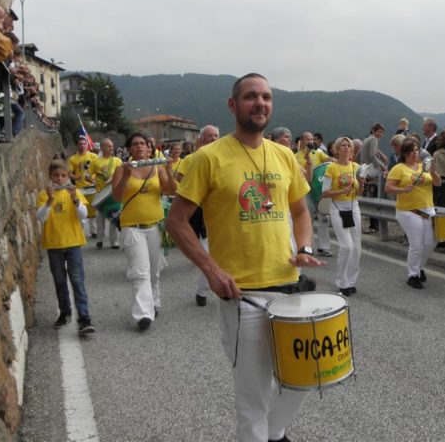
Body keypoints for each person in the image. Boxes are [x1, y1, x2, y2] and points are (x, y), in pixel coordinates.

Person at [166, 73, 324, 442]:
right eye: (251, 96)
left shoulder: (284, 155)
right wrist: (211, 271)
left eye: (266, 97)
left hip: (288, 287)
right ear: (233, 105)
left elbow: (301, 212)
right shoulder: (208, 157)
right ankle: (263, 434)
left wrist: (304, 248)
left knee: (303, 377)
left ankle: (274, 432)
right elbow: (176, 222)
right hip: (242, 295)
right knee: (252, 398)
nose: (260, 103)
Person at [111, 132, 177, 330]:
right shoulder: (121, 169)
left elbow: (171, 190)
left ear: (150, 148)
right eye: (135, 144)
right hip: (132, 228)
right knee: (140, 272)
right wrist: (125, 177)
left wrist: (168, 170)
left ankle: (154, 302)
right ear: (129, 149)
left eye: (143, 144)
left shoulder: (157, 167)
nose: (140, 147)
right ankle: (143, 315)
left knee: (155, 272)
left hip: (155, 226)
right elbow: (116, 197)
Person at [36, 160, 96, 334]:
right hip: (54, 244)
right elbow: (41, 218)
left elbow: (83, 215)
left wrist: (75, 200)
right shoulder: (43, 195)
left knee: (77, 281)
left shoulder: (75, 193)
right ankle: (65, 312)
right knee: (60, 281)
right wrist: (49, 201)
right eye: (56, 176)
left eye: (63, 175)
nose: (60, 179)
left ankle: (84, 318)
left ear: (68, 176)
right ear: (50, 177)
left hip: (73, 243)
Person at [385, 138, 442, 289]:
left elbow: (438, 183)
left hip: (428, 208)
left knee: (430, 242)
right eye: (410, 151)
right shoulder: (399, 168)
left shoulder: (424, 167)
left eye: (416, 150)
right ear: (404, 153)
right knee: (417, 244)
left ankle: (419, 267)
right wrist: (403, 190)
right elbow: (388, 188)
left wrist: (433, 171)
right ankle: (413, 275)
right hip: (408, 211)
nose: (414, 153)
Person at [176, 124, 220, 307]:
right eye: (209, 136)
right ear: (200, 139)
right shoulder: (190, 160)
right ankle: (202, 291)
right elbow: (178, 180)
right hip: (200, 212)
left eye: (216, 136)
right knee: (207, 253)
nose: (212, 139)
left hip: (223, 212)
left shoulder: (224, 157)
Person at [322, 137, 365, 296]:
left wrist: (361, 184)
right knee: (346, 246)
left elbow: (360, 193)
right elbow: (325, 193)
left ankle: (351, 281)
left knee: (356, 246)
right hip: (337, 207)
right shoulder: (331, 168)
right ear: (337, 149)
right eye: (343, 146)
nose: (346, 148)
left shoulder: (356, 167)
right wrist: (341, 191)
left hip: (354, 206)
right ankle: (342, 282)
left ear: (352, 150)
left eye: (349, 146)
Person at [295, 131, 332, 256]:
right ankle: (307, 246)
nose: (310, 141)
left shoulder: (318, 153)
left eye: (312, 139)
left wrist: (336, 159)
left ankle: (324, 247)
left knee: (325, 218)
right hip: (305, 191)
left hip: (319, 190)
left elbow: (329, 160)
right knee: (308, 220)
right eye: (307, 139)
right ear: (302, 141)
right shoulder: (296, 156)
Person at [89, 138, 122, 249]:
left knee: (114, 217)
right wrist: (90, 179)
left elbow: (122, 173)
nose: (111, 148)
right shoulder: (95, 161)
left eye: (112, 146)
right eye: (108, 146)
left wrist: (113, 177)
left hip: (113, 193)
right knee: (100, 218)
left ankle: (114, 241)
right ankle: (100, 240)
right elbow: (88, 174)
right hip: (100, 194)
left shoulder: (117, 160)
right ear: (102, 147)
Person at [68, 136, 98, 238]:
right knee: (80, 210)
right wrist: (76, 177)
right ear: (77, 145)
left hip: (92, 187)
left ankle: (93, 231)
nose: (82, 146)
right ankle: (80, 231)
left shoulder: (94, 157)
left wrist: (93, 178)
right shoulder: (72, 159)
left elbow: (98, 171)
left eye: (84, 144)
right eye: (80, 144)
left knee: (93, 210)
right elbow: (69, 174)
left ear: (87, 144)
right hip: (79, 189)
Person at [359, 123, 388, 234]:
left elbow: (359, 154)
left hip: (363, 167)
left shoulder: (366, 139)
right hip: (369, 169)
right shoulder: (374, 140)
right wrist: (381, 167)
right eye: (379, 131)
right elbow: (372, 155)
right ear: (373, 131)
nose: (380, 134)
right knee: (386, 170)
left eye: (382, 132)